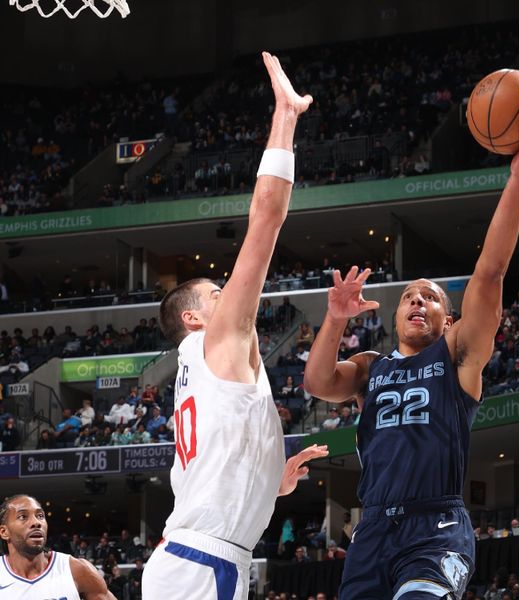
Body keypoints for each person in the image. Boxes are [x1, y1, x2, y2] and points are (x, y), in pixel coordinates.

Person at [305, 109, 519, 599]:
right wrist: (335, 319)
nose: (419, 301)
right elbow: (316, 384)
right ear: (395, 318)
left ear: (449, 318)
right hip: (373, 529)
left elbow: (490, 272)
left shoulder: (458, 353)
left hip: (435, 525)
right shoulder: (370, 368)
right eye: (410, 298)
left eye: (432, 297)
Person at [142, 53, 328, 600]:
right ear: (194, 317)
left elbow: (211, 473)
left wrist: (272, 480)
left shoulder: (200, 369)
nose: (233, 300)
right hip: (201, 563)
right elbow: (266, 217)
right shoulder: (217, 340)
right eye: (217, 296)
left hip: (198, 559)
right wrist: (287, 116)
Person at [0, 494, 115, 599]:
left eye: (40, 516)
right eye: (23, 516)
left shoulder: (76, 570)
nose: (36, 522)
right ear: (4, 532)